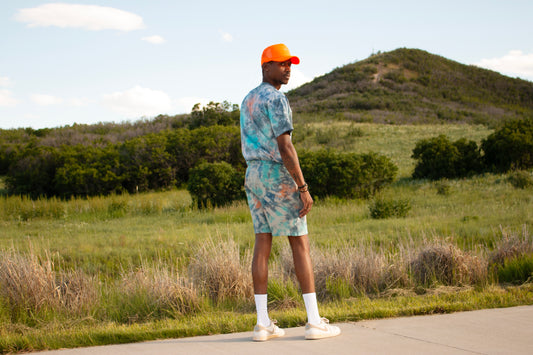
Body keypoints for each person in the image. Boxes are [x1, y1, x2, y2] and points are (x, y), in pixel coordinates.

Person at [240, 43, 341, 341]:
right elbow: (285, 146)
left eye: (290, 64)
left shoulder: (247, 100)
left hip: (253, 174)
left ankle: (262, 324)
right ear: (265, 67)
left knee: (262, 241)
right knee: (300, 243)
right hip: (275, 174)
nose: (287, 68)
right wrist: (302, 187)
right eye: (281, 63)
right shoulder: (277, 99)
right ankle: (313, 322)